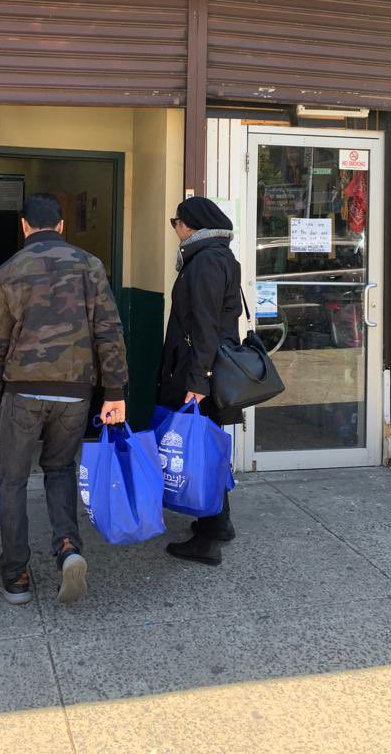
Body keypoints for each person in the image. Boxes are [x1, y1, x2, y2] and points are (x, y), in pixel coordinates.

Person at [0, 193, 128, 606]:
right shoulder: (90, 265)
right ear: (61, 226)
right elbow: (109, 332)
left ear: (24, 226)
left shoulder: (7, 271)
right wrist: (114, 393)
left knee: (14, 480)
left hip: (22, 391)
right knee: (60, 470)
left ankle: (16, 574)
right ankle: (67, 549)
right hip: (75, 393)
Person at [157, 196, 242, 567]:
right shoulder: (218, 255)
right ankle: (219, 522)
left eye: (176, 221)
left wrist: (198, 380)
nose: (174, 227)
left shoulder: (206, 261)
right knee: (207, 446)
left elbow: (205, 326)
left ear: (191, 225)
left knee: (200, 450)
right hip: (205, 368)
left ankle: (208, 540)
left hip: (199, 370)